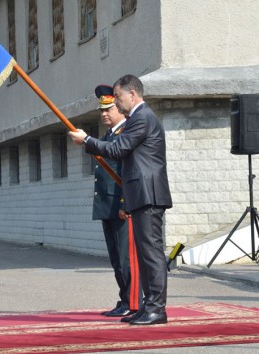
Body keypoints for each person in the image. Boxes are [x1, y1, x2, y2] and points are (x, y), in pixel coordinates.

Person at [69, 74, 172, 326]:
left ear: (133, 94)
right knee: (146, 254)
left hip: (148, 194)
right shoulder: (138, 118)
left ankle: (157, 309)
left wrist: (87, 140)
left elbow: (117, 149)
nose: (116, 101)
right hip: (140, 194)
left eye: (118, 96)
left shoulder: (142, 118)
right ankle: (148, 306)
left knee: (151, 254)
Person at [91, 85, 142, 318]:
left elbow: (128, 171)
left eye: (108, 109)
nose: (104, 114)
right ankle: (125, 300)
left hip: (121, 205)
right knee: (116, 258)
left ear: (121, 108)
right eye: (101, 110)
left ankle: (135, 303)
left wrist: (124, 203)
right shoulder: (109, 136)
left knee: (126, 259)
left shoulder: (126, 135)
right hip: (106, 205)